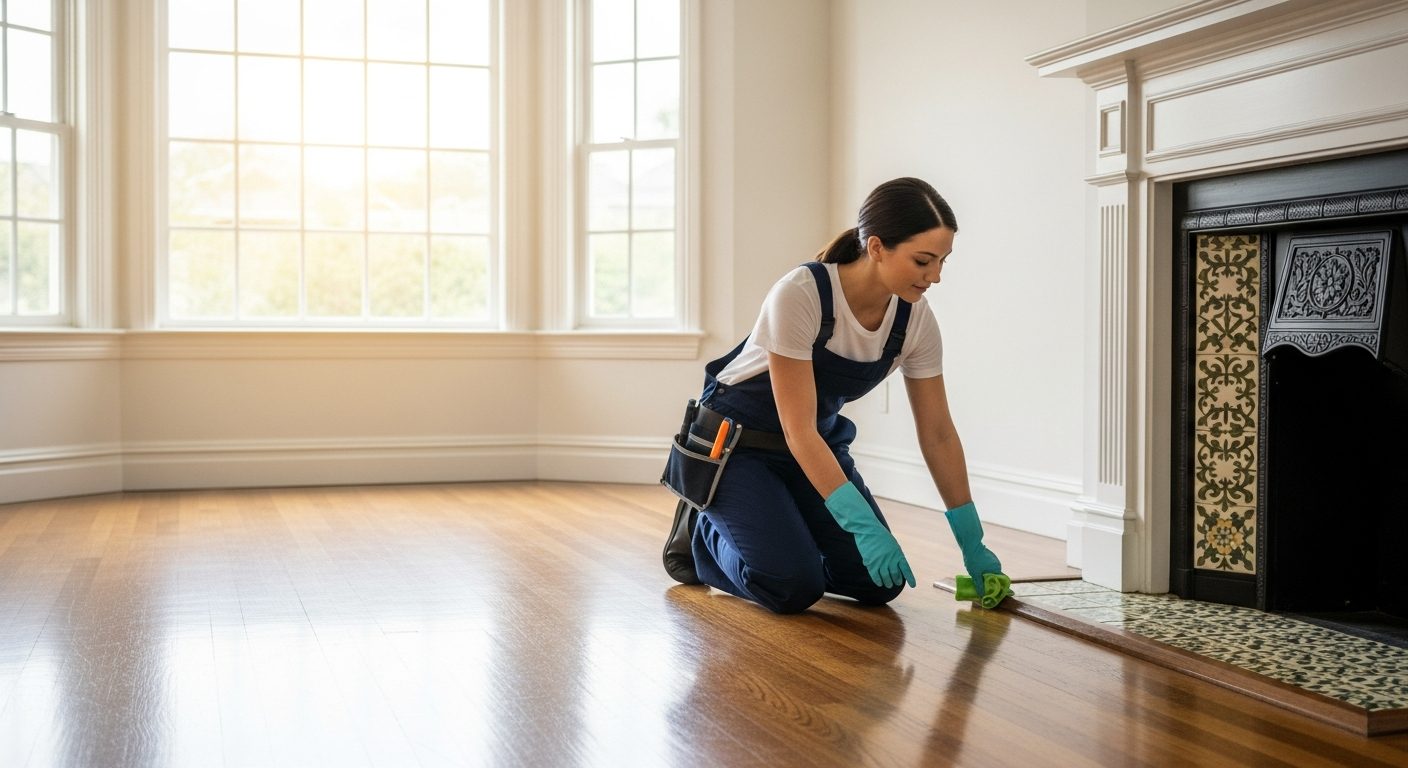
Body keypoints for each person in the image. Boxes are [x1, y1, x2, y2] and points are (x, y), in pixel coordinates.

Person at [662, 177, 1006, 614]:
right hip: (734, 451)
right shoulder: (801, 294)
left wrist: (971, 541)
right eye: (923, 260)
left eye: (942, 261)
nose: (935, 276)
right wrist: (860, 524)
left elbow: (937, 433)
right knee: (790, 587)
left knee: (880, 584)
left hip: (812, 450)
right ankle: (703, 536)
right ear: (877, 246)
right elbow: (797, 427)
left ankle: (782, 539)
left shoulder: (915, 321)